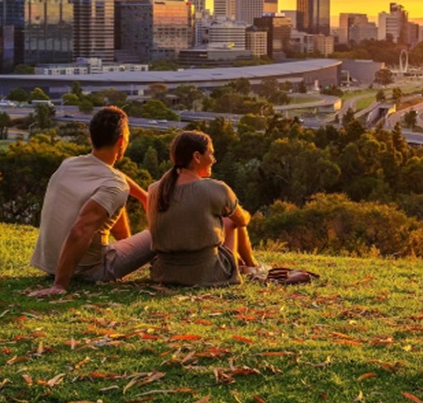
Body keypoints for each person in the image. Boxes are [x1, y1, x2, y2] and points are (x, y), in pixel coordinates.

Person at [28, 106, 153, 296]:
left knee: (109, 199)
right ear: (121, 141)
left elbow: (114, 177)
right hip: (90, 271)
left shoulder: (69, 164)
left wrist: (143, 196)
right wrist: (60, 285)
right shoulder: (114, 185)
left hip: (49, 263)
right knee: (159, 232)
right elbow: (80, 230)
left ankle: (125, 244)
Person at [147, 130, 262, 287]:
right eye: (211, 154)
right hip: (207, 274)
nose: (214, 160)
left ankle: (249, 265)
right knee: (231, 222)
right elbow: (242, 220)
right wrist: (242, 212)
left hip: (163, 273)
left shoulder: (155, 189)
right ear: (197, 157)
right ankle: (252, 266)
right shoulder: (215, 189)